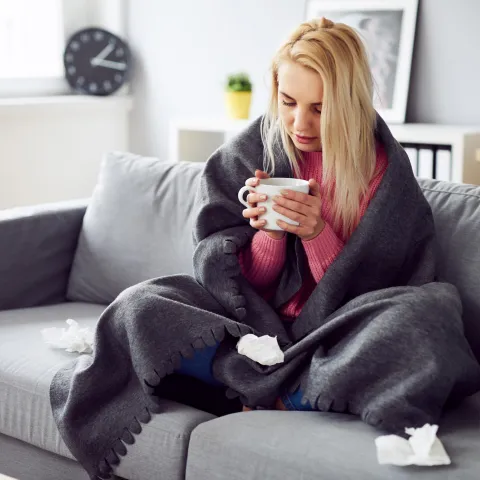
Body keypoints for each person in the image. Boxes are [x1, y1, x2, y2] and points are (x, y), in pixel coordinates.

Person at [50, 17, 480, 479]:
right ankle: (291, 390)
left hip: (338, 335)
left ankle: (266, 393)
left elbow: (379, 289)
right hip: (251, 329)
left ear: (349, 104)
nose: (300, 123)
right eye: (288, 102)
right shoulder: (253, 149)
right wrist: (270, 234)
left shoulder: (383, 171)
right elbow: (229, 281)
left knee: (428, 316)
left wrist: (317, 234)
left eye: (320, 108)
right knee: (140, 306)